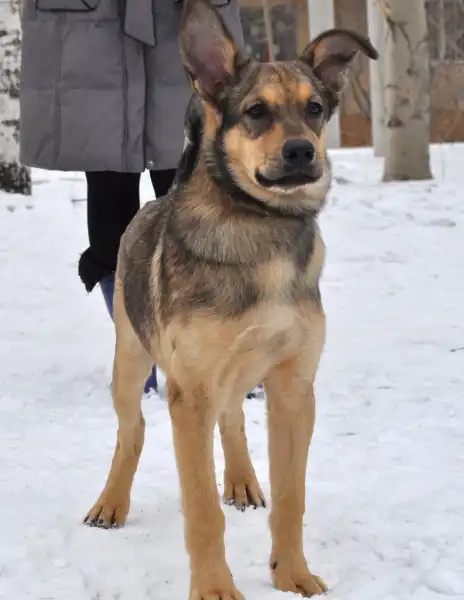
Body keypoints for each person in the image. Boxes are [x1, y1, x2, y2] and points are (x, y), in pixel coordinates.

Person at [19, 0, 244, 395]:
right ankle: (139, 347)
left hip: (184, 19)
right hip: (92, 23)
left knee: (193, 186)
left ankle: (211, 349)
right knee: (109, 177)